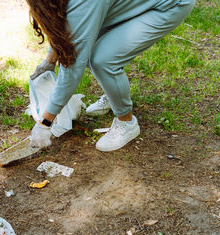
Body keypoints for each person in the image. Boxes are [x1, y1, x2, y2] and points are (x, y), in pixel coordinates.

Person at [27, 0, 195, 151]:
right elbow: (68, 29)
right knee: (89, 50)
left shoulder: (83, 2)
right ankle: (114, 93)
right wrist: (50, 60)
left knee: (103, 61)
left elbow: (72, 63)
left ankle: (126, 122)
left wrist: (45, 122)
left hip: (169, 5)